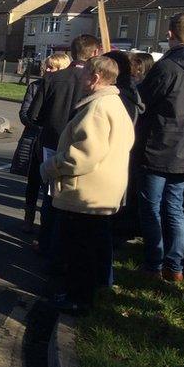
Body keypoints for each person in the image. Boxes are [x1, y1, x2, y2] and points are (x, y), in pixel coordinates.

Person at [40, 56, 135, 314]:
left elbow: (82, 156)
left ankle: (78, 299)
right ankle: (88, 293)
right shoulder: (115, 103)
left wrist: (50, 166)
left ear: (95, 78)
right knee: (93, 247)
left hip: (86, 192)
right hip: (104, 189)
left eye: (84, 75)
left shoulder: (97, 109)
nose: (80, 80)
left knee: (80, 251)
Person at [137, 11, 184, 282]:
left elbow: (143, 103)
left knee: (151, 207)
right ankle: (175, 265)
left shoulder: (167, 67)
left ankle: (153, 264)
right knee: (175, 207)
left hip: (161, 145)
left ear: (170, 34)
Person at [26, 34, 101, 261]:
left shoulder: (53, 79)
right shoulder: (94, 83)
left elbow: (34, 115)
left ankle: (47, 240)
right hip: (79, 143)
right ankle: (64, 244)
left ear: (71, 51)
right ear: (95, 53)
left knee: (50, 194)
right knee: (71, 195)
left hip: (51, 141)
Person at [17, 52, 70, 233]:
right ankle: (28, 217)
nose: (47, 70)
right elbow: (25, 113)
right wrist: (39, 126)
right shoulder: (35, 87)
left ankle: (48, 224)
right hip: (35, 140)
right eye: (46, 66)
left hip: (55, 143)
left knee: (52, 186)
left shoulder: (66, 89)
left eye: (52, 67)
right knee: (33, 180)